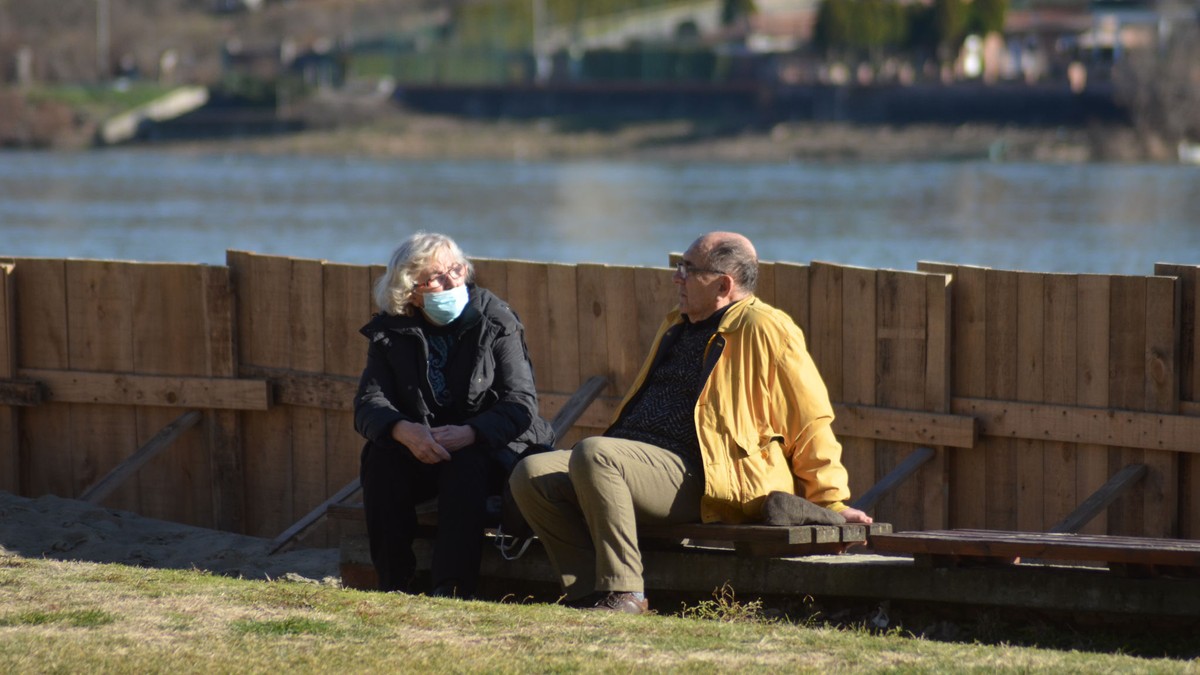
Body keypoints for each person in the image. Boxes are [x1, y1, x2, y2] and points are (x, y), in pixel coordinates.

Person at [508, 231, 872, 614]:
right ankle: (586, 593)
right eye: (678, 267)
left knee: (597, 454)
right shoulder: (676, 324)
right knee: (530, 473)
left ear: (723, 284)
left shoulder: (766, 328)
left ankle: (626, 593)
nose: (675, 277)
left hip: (707, 476)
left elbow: (809, 418)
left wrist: (831, 500)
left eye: (687, 269)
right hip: (636, 463)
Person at [354, 232, 553, 598]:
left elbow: (521, 403)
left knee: (466, 463)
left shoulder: (496, 318)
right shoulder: (390, 331)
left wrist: (472, 432)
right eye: (435, 278)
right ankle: (393, 584)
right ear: (410, 291)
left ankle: (452, 587)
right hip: (425, 448)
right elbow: (368, 405)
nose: (451, 282)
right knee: (380, 458)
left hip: (491, 449)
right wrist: (402, 430)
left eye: (455, 270)